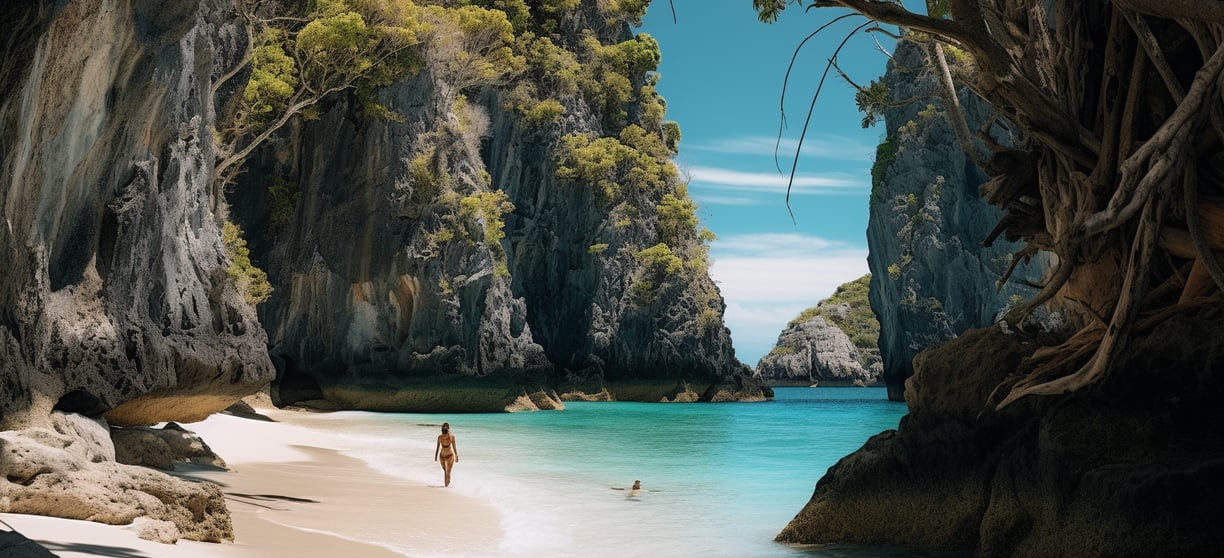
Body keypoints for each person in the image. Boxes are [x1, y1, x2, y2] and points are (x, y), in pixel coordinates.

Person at [434, 422, 458, 487]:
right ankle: (446, 486)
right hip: (442, 456)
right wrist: (435, 456)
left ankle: (447, 486)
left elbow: (454, 447)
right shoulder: (439, 437)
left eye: (445, 430)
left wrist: (456, 455)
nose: (444, 432)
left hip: (450, 456)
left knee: (448, 472)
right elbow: (437, 447)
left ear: (448, 430)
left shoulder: (452, 437)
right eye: (443, 430)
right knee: (445, 471)